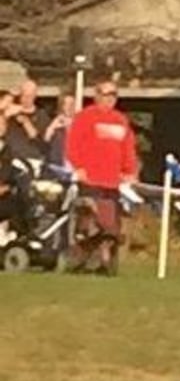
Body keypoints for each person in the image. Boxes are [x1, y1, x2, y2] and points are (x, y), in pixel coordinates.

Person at [66, 80, 138, 267]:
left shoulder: (121, 120)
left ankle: (106, 262)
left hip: (113, 182)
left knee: (110, 227)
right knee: (89, 224)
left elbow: (128, 149)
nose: (109, 99)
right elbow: (73, 145)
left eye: (113, 95)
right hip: (90, 180)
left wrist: (130, 172)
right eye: (105, 94)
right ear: (97, 95)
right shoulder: (84, 117)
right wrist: (78, 167)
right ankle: (82, 260)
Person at [5, 79, 50, 162]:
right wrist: (6, 115)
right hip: (10, 160)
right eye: (23, 95)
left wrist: (26, 122)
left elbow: (41, 142)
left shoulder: (41, 115)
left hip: (31, 159)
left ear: (35, 96)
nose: (26, 99)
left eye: (29, 96)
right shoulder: (11, 111)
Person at [0, 112, 20, 244]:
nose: (0, 126)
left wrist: (6, 187)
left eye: (2, 123)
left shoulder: (9, 150)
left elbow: (12, 176)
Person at [45, 94, 76, 169]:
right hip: (57, 162)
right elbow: (46, 138)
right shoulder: (57, 121)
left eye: (71, 104)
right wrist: (54, 125)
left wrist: (68, 125)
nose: (69, 107)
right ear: (62, 106)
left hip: (73, 163)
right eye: (66, 104)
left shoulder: (79, 121)